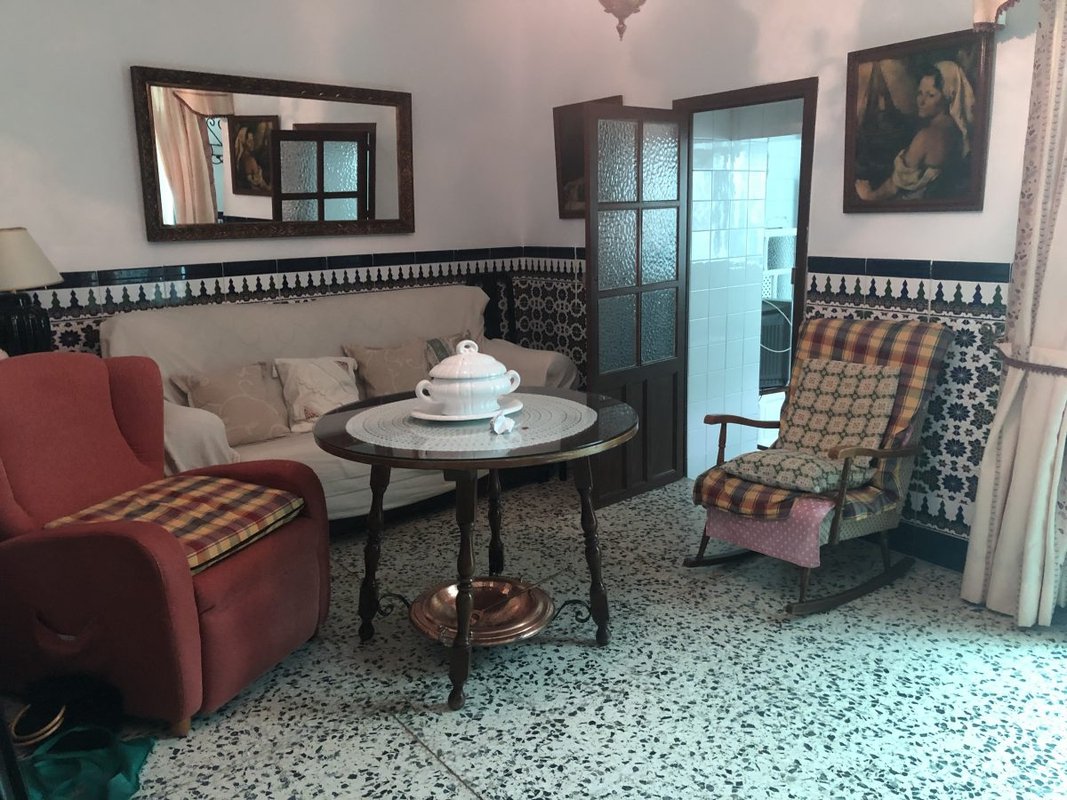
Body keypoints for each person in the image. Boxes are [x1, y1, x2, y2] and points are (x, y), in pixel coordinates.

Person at [855, 60, 975, 202]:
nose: (921, 101)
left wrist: (868, 195)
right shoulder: (956, 130)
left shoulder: (926, 137)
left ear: (948, 96)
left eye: (931, 95)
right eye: (920, 93)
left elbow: (893, 187)